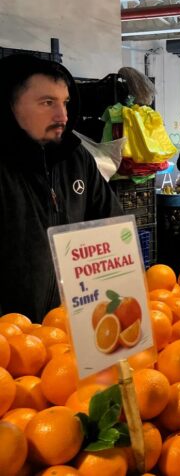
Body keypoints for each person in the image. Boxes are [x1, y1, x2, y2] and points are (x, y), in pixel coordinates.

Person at [0, 54, 122, 321]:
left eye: (65, 103)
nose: (63, 116)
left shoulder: (77, 159)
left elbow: (112, 228)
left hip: (74, 327)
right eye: (47, 103)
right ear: (10, 106)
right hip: (11, 341)